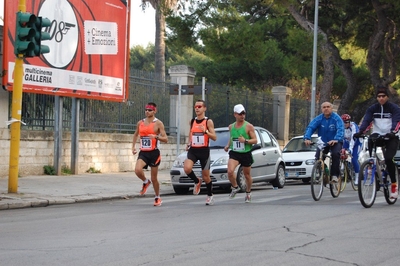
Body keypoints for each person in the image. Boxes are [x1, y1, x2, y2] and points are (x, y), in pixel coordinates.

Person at [353, 86, 400, 199]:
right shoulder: (372, 108)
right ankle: (372, 165)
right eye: (379, 96)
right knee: (370, 139)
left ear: (387, 97)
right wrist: (360, 131)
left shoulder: (394, 108)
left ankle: (394, 185)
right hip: (378, 134)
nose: (381, 98)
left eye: (383, 96)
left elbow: (397, 121)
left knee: (388, 159)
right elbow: (367, 121)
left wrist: (393, 131)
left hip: (391, 136)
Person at [132, 102, 168, 206]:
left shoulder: (158, 123)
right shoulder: (140, 123)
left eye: (150, 110)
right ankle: (145, 181)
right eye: (146, 109)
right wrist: (133, 147)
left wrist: (156, 137)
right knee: (137, 170)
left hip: (154, 153)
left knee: (154, 178)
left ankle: (157, 197)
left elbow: (166, 139)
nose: (147, 111)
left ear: (155, 111)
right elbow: (135, 135)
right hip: (143, 152)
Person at [184, 100, 217, 205]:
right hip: (193, 149)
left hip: (204, 151)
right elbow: (191, 133)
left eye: (199, 106)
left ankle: (210, 195)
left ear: (204, 108)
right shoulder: (192, 121)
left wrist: (205, 131)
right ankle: (197, 181)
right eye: (195, 107)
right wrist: (189, 143)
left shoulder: (208, 122)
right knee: (187, 168)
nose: (197, 108)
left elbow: (214, 137)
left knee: (206, 176)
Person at [224, 104, 257, 203]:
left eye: (243, 113)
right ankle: (235, 187)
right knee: (230, 171)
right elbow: (232, 138)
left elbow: (255, 140)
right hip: (235, 152)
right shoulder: (231, 127)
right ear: (235, 114)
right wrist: (227, 145)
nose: (242, 116)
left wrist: (245, 141)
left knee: (247, 175)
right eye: (240, 114)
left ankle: (248, 192)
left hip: (246, 153)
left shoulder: (248, 126)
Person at [304, 102, 344, 183]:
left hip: (335, 141)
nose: (326, 108)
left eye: (328, 107)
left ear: (331, 108)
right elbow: (311, 127)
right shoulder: (318, 119)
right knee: (318, 157)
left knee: (335, 154)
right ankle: (323, 172)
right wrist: (307, 138)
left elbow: (340, 129)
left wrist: (336, 139)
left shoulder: (336, 118)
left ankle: (335, 175)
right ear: (321, 109)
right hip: (323, 142)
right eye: (324, 107)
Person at [341, 114, 362, 185]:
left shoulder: (353, 127)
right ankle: (343, 167)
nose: (345, 124)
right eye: (343, 122)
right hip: (346, 142)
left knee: (354, 159)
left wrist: (350, 149)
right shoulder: (341, 127)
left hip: (357, 143)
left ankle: (357, 177)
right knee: (340, 152)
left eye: (346, 122)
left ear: (349, 122)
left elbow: (353, 139)